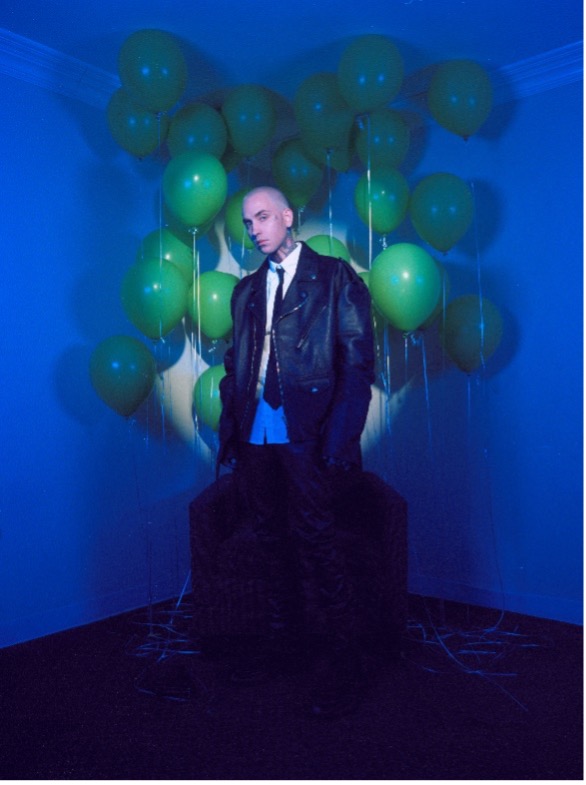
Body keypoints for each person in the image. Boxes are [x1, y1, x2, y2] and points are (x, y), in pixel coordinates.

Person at [217, 186, 375, 718]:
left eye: (263, 217)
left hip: (308, 435)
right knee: (270, 540)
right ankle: (283, 648)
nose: (254, 229)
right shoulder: (246, 290)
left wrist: (337, 441)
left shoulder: (335, 278)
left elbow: (356, 367)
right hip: (255, 435)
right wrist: (231, 430)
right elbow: (234, 367)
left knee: (318, 542)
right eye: (247, 222)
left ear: (287, 216)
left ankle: (347, 664)